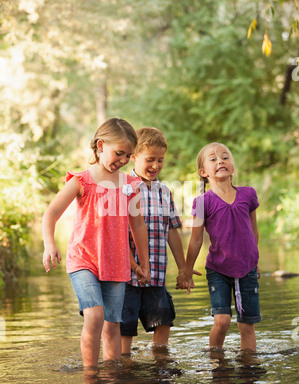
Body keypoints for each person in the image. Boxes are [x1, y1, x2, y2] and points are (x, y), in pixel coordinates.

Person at [42, 118, 150, 367]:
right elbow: (51, 214)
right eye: (119, 153)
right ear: (101, 145)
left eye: (127, 156)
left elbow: (138, 225)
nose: (123, 160)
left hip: (116, 264)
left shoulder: (129, 185)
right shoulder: (81, 181)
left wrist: (143, 263)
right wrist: (49, 244)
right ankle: (90, 377)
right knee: (95, 315)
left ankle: (111, 380)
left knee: (112, 324)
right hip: (84, 260)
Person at [184, 142, 261, 352]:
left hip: (247, 269)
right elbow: (196, 240)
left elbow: (253, 231)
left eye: (225, 157)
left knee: (247, 325)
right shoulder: (202, 202)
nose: (220, 161)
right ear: (203, 172)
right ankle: (217, 364)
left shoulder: (248, 194)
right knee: (222, 321)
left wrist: (256, 262)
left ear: (232, 167)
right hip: (218, 270)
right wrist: (187, 271)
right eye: (213, 159)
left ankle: (248, 367)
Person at [121, 127, 191, 353]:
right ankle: (125, 366)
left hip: (157, 274)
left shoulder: (164, 192)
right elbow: (118, 233)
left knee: (163, 319)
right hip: (127, 275)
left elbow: (172, 230)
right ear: (134, 157)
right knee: (125, 326)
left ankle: (160, 363)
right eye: (149, 159)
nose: (155, 165)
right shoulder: (124, 188)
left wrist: (183, 268)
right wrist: (135, 265)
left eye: (160, 160)